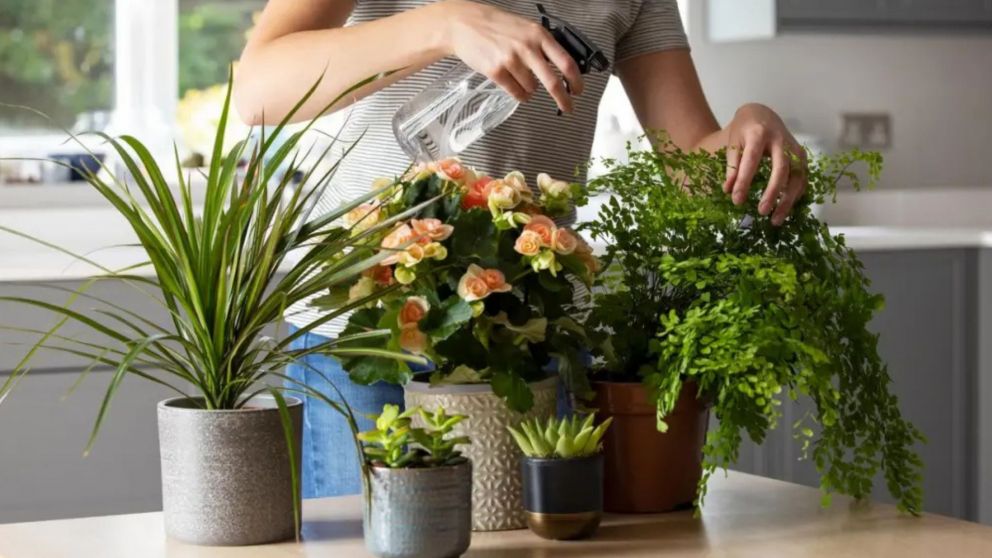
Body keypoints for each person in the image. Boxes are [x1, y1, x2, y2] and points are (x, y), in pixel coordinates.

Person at [235, 0, 807, 498]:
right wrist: (447, 23)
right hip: (371, 331)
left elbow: (691, 164)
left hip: (530, 335)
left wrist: (749, 131)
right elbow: (258, 87)